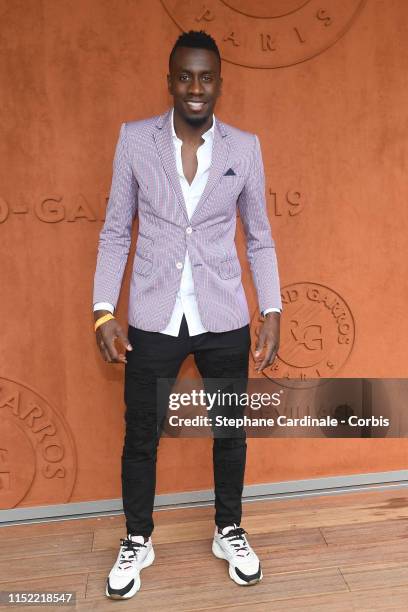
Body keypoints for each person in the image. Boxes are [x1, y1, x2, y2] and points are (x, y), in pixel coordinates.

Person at [92, 30, 282, 600]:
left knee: (230, 432)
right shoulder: (133, 141)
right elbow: (114, 233)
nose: (195, 88)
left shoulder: (244, 148)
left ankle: (229, 529)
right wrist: (104, 311)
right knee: (141, 434)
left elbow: (261, 238)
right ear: (170, 80)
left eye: (205, 78)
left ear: (220, 83)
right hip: (153, 313)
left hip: (224, 313)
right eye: (184, 77)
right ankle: (138, 537)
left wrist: (270, 307)